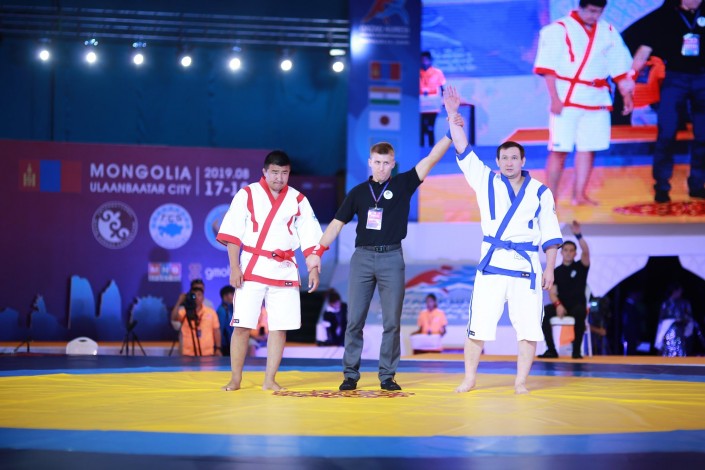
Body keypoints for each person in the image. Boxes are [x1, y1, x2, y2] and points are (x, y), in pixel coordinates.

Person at [306, 113, 456, 392]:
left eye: (387, 163)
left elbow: (430, 160)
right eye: (377, 162)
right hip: (362, 258)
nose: (382, 167)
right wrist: (318, 251)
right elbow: (336, 224)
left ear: (393, 163)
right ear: (370, 162)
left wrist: (450, 133)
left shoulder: (403, 184)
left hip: (392, 258)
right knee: (354, 320)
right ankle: (350, 374)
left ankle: (387, 375)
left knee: (392, 322)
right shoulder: (358, 192)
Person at [444, 85, 563, 394]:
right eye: (504, 158)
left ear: (523, 160)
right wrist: (452, 113)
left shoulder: (541, 192)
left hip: (526, 268)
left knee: (529, 329)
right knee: (477, 327)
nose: (509, 162)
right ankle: (469, 379)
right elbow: (463, 148)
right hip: (492, 266)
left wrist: (550, 268)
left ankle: (520, 381)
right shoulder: (486, 181)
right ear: (497, 162)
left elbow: (551, 235)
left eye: (514, 157)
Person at [216, 150, 324, 391]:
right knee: (242, 326)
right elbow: (232, 235)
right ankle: (235, 378)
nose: (279, 178)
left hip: (284, 269)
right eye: (274, 172)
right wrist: (234, 267)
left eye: (284, 173)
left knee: (279, 327)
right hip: (252, 266)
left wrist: (314, 269)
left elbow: (311, 239)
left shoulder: (298, 200)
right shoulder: (247, 194)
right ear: (264, 172)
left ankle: (269, 379)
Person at [534, 0, 635, 205]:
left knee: (589, 148)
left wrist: (627, 95)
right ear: (580, 7)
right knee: (559, 150)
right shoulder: (557, 30)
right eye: (590, 11)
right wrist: (555, 99)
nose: (593, 16)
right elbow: (548, 68)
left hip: (597, 99)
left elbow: (620, 66)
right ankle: (550, 199)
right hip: (567, 98)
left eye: (598, 12)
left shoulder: (608, 31)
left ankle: (579, 195)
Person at [626, 0, 705, 203]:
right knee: (667, 132)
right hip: (675, 78)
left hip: (702, 78)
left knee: (703, 135)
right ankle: (661, 185)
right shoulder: (665, 15)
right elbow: (644, 50)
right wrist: (630, 77)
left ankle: (698, 184)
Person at [539, 220, 590, 360]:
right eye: (565, 250)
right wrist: (558, 305)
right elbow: (552, 293)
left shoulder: (581, 266)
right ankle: (551, 350)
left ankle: (576, 351)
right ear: (561, 253)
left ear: (575, 253)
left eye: (571, 250)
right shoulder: (556, 271)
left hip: (577, 305)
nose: (568, 253)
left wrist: (578, 235)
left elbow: (586, 252)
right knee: (543, 313)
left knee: (580, 312)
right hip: (561, 305)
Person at [170, 286, 222, 357]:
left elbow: (216, 330)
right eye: (194, 295)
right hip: (188, 353)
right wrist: (179, 301)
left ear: (203, 298)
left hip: (207, 353)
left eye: (199, 295)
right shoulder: (184, 312)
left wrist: (218, 348)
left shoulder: (211, 312)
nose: (197, 297)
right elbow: (173, 317)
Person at [654, 283, 700, 356]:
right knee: (669, 349)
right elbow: (662, 320)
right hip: (668, 331)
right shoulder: (666, 303)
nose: (680, 293)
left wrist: (685, 321)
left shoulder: (684, 303)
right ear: (674, 291)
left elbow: (689, 317)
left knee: (680, 349)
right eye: (679, 291)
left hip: (680, 331)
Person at [420, 51, 447, 147]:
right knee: (421, 129)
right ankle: (420, 149)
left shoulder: (437, 72)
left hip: (433, 104)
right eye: (422, 60)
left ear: (430, 60)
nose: (424, 62)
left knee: (431, 127)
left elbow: (442, 88)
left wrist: (445, 100)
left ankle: (432, 150)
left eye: (426, 60)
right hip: (420, 105)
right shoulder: (416, 72)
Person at [216, 285, 235, 356]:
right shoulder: (222, 310)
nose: (234, 296)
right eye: (232, 294)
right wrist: (219, 347)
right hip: (226, 346)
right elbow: (220, 330)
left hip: (232, 344)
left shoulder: (232, 309)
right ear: (225, 296)